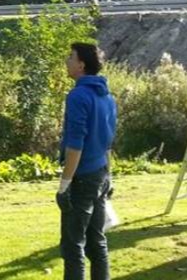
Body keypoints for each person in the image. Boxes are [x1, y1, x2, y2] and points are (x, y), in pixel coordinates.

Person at [56, 42, 117, 280]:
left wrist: (64, 185)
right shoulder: (107, 97)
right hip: (100, 174)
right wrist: (109, 176)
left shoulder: (78, 95)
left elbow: (75, 144)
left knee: (73, 246)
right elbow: (108, 142)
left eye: (70, 57)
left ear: (81, 65)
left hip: (82, 178)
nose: (67, 61)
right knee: (96, 242)